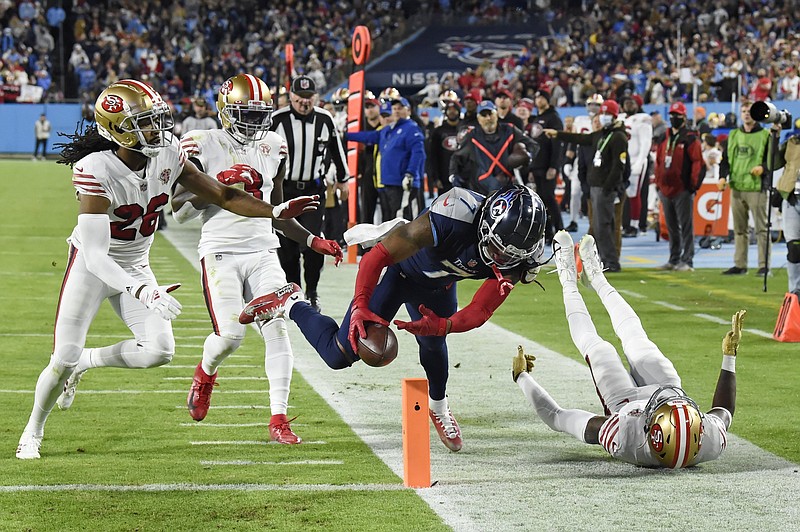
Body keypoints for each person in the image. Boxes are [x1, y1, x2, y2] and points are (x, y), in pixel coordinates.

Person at [16, 79, 319, 460]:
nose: (156, 129)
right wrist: (144, 291)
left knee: (159, 351)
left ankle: (88, 362)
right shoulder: (94, 168)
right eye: (143, 122)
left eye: (155, 119)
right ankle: (33, 430)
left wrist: (274, 211)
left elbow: (223, 195)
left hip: (137, 263)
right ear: (118, 130)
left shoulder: (168, 153)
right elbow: (95, 255)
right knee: (62, 358)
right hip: (92, 269)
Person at [240, 185, 548, 452]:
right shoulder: (455, 214)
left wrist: (444, 325)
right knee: (338, 354)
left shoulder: (520, 258)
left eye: (510, 256)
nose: (501, 259)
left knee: (434, 343)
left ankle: (438, 407)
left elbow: (481, 309)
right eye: (497, 248)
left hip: (439, 285)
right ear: (486, 223)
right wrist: (361, 304)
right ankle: (292, 300)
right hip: (402, 270)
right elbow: (378, 256)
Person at [171, 74, 343, 444]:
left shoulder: (273, 143)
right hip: (220, 250)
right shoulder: (202, 143)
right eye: (244, 114)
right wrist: (220, 187)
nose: (252, 123)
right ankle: (205, 374)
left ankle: (279, 419)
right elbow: (179, 210)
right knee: (231, 336)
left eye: (258, 114)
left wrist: (313, 241)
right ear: (225, 111)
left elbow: (275, 211)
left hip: (263, 249)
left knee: (277, 330)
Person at [512, 229, 741, 468]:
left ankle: (567, 279)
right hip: (669, 388)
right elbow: (723, 410)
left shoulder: (623, 437)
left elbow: (557, 417)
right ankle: (597, 278)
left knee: (599, 348)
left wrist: (521, 377)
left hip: (625, 404)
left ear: (649, 426)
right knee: (636, 339)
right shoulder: (710, 440)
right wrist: (729, 356)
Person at [270, 75, 350, 311]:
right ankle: (293, 291)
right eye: (300, 97)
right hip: (284, 190)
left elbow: (337, 149)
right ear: (291, 97)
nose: (304, 102)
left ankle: (312, 291)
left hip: (314, 190)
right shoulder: (277, 119)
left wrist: (343, 180)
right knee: (286, 247)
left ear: (315, 97)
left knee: (314, 243)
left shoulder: (325, 119)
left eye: (309, 97)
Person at [544, 100, 627, 272]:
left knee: (603, 225)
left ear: (614, 116)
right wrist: (558, 134)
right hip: (597, 186)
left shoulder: (618, 137)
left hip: (604, 188)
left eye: (607, 114)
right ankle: (606, 260)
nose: (603, 117)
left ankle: (611, 261)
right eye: (602, 114)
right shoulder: (603, 134)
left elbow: (619, 165)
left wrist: (607, 186)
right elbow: (581, 138)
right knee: (599, 225)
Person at [347, 97, 425, 221]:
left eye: (400, 108)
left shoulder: (412, 128)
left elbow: (418, 154)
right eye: (394, 109)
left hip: (402, 183)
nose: (397, 111)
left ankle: (406, 241)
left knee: (402, 220)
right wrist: (346, 135)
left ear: (408, 111)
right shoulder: (388, 130)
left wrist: (410, 174)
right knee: (391, 220)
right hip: (388, 183)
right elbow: (369, 136)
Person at [719, 100, 771, 275]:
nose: (746, 114)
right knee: (739, 229)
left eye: (749, 111)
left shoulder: (765, 135)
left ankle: (764, 265)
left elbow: (773, 159)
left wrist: (763, 168)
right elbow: (725, 160)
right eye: (743, 111)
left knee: (761, 228)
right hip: (737, 186)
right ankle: (740, 264)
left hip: (756, 187)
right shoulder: (733, 135)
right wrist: (722, 177)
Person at [653, 101, 703, 271]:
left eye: (678, 116)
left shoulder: (690, 137)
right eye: (672, 115)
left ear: (684, 117)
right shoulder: (663, 137)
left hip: (682, 188)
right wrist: (658, 184)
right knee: (671, 226)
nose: (674, 118)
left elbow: (697, 162)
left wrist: (692, 186)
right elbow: (659, 161)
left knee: (686, 226)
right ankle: (674, 258)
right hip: (665, 189)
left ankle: (687, 260)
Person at [449, 100, 537, 195]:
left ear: (496, 115)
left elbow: (533, 145)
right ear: (478, 119)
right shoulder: (472, 136)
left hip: (507, 186)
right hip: (480, 189)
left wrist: (527, 156)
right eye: (484, 115)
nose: (488, 118)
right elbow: (457, 157)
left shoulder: (510, 130)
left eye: (490, 114)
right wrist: (453, 175)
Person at [767, 130, 800, 293]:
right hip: (793, 199)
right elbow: (772, 164)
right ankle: (795, 293)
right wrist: (775, 138)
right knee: (794, 247)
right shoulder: (792, 143)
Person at [529, 88, 564, 243]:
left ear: (547, 100)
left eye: (542, 98)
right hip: (536, 165)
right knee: (541, 201)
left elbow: (557, 144)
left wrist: (554, 166)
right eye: (537, 98)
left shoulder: (553, 118)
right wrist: (531, 167)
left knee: (549, 198)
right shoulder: (537, 118)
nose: (539, 101)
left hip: (547, 166)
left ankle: (561, 230)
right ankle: (548, 232)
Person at [620, 94, 652, 238]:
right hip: (622, 161)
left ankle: (634, 225)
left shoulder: (643, 119)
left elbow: (646, 142)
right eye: (626, 103)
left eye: (631, 103)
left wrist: (640, 160)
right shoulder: (620, 118)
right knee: (622, 194)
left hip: (636, 159)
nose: (628, 105)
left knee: (634, 194)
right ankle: (624, 223)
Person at [428, 93, 462, 196]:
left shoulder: (465, 129)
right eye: (449, 110)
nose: (452, 112)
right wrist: (435, 177)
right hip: (444, 178)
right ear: (445, 112)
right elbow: (433, 156)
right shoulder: (438, 131)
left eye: (454, 109)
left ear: (459, 111)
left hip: (464, 177)